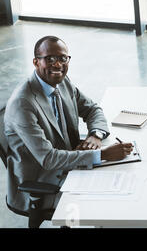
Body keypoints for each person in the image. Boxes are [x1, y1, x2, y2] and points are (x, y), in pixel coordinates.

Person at [4, 36, 133, 214]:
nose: (57, 65)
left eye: (63, 58)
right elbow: (49, 159)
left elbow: (93, 109)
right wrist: (101, 154)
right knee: (111, 200)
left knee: (127, 177)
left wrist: (95, 135)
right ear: (35, 62)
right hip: (41, 183)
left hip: (69, 161)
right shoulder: (23, 104)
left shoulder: (62, 82)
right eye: (49, 59)